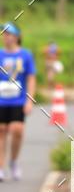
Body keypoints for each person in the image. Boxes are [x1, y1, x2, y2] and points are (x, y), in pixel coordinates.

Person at [0, 23, 36, 181]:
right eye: (4, 34)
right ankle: (0, 167)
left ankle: (13, 161)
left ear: (17, 37)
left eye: (10, 34)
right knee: (1, 131)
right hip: (1, 100)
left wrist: (29, 100)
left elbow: (31, 78)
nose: (6, 37)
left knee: (17, 130)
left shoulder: (25, 55)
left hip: (18, 100)